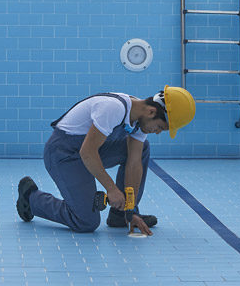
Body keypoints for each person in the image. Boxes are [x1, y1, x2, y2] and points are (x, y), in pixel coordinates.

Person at [16, 86, 196, 235]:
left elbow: (134, 163)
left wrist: (130, 208)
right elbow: (87, 152)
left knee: (143, 148)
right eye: (160, 127)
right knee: (85, 222)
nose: (157, 132)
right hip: (64, 153)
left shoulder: (139, 120)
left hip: (91, 150)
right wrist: (111, 189)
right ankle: (31, 198)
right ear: (151, 111)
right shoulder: (114, 108)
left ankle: (121, 215)